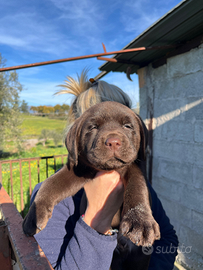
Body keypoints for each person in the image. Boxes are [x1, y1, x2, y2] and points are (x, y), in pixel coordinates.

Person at [31, 69, 178, 270]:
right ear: (76, 134)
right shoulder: (53, 199)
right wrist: (95, 222)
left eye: (126, 125)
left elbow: (168, 239)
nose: (114, 137)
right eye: (94, 126)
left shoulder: (138, 186)